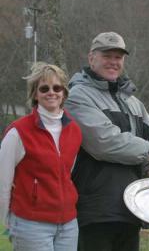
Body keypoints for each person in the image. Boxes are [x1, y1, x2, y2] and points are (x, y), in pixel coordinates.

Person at [64, 32, 149, 251]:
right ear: (91, 58)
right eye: (107, 56)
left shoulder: (132, 101)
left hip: (130, 206)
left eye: (118, 57)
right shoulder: (77, 96)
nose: (113, 62)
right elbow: (105, 142)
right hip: (95, 208)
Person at [0, 63, 82, 251]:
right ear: (35, 94)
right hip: (30, 224)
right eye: (44, 88)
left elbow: (66, 173)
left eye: (57, 87)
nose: (51, 92)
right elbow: (3, 181)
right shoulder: (18, 132)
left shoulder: (75, 130)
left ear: (64, 93)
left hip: (68, 224)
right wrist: (6, 219)